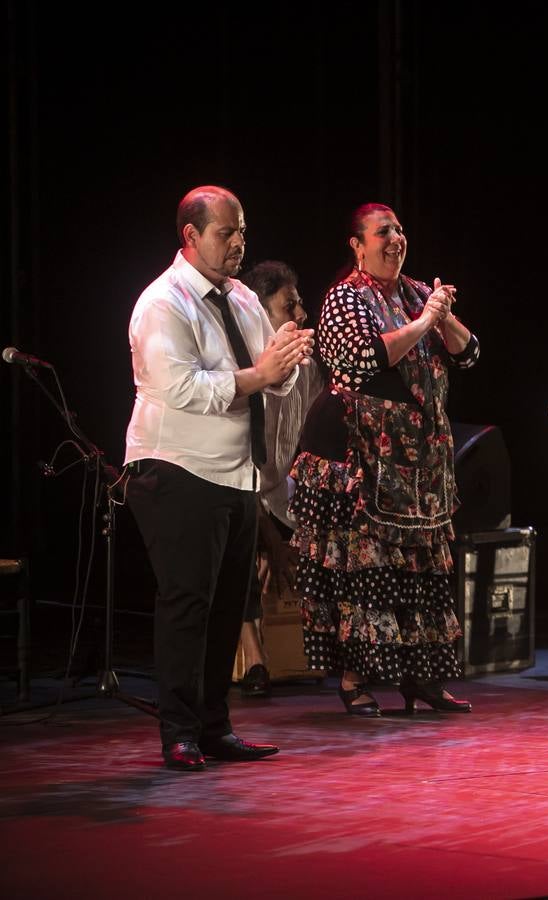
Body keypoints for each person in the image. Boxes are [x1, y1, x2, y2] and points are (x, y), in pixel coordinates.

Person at [124, 186, 314, 770]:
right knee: (188, 603)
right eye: (225, 233)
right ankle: (178, 731)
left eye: (241, 232)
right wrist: (262, 373)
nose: (238, 244)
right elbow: (180, 388)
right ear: (191, 236)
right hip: (178, 468)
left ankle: (213, 726)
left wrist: (284, 361)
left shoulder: (239, 298)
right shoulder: (164, 302)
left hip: (235, 474)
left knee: (230, 605)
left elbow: (267, 378)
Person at [290, 203, 479, 717]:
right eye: (382, 232)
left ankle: (423, 679)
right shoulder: (343, 298)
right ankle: (354, 680)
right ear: (357, 244)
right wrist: (424, 322)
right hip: (361, 457)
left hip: (419, 466)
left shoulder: (419, 293)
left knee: (421, 573)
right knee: (366, 569)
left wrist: (443, 316)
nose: (395, 239)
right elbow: (365, 358)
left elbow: (469, 353)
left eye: (399, 230)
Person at [234, 261, 323, 697]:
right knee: (236, 534)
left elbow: (309, 447)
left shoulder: (308, 367)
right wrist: (271, 541)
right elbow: (240, 471)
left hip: (283, 493)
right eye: (290, 306)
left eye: (300, 302)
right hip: (242, 492)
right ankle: (255, 658)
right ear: (260, 313)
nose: (302, 314)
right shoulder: (246, 370)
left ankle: (325, 650)